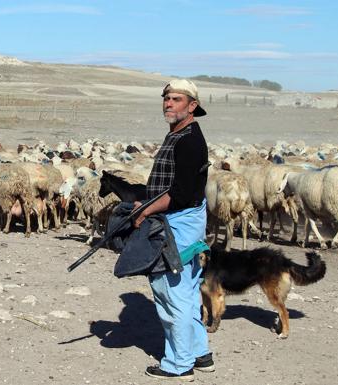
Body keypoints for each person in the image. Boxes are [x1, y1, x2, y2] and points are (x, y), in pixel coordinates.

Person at [133, 79, 214, 381]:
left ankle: (179, 365)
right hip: (185, 219)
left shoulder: (190, 140)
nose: (168, 103)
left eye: (176, 99)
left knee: (171, 293)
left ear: (192, 106)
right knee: (189, 291)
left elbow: (179, 192)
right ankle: (199, 353)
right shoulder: (178, 133)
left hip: (179, 221)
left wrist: (146, 210)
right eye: (166, 98)